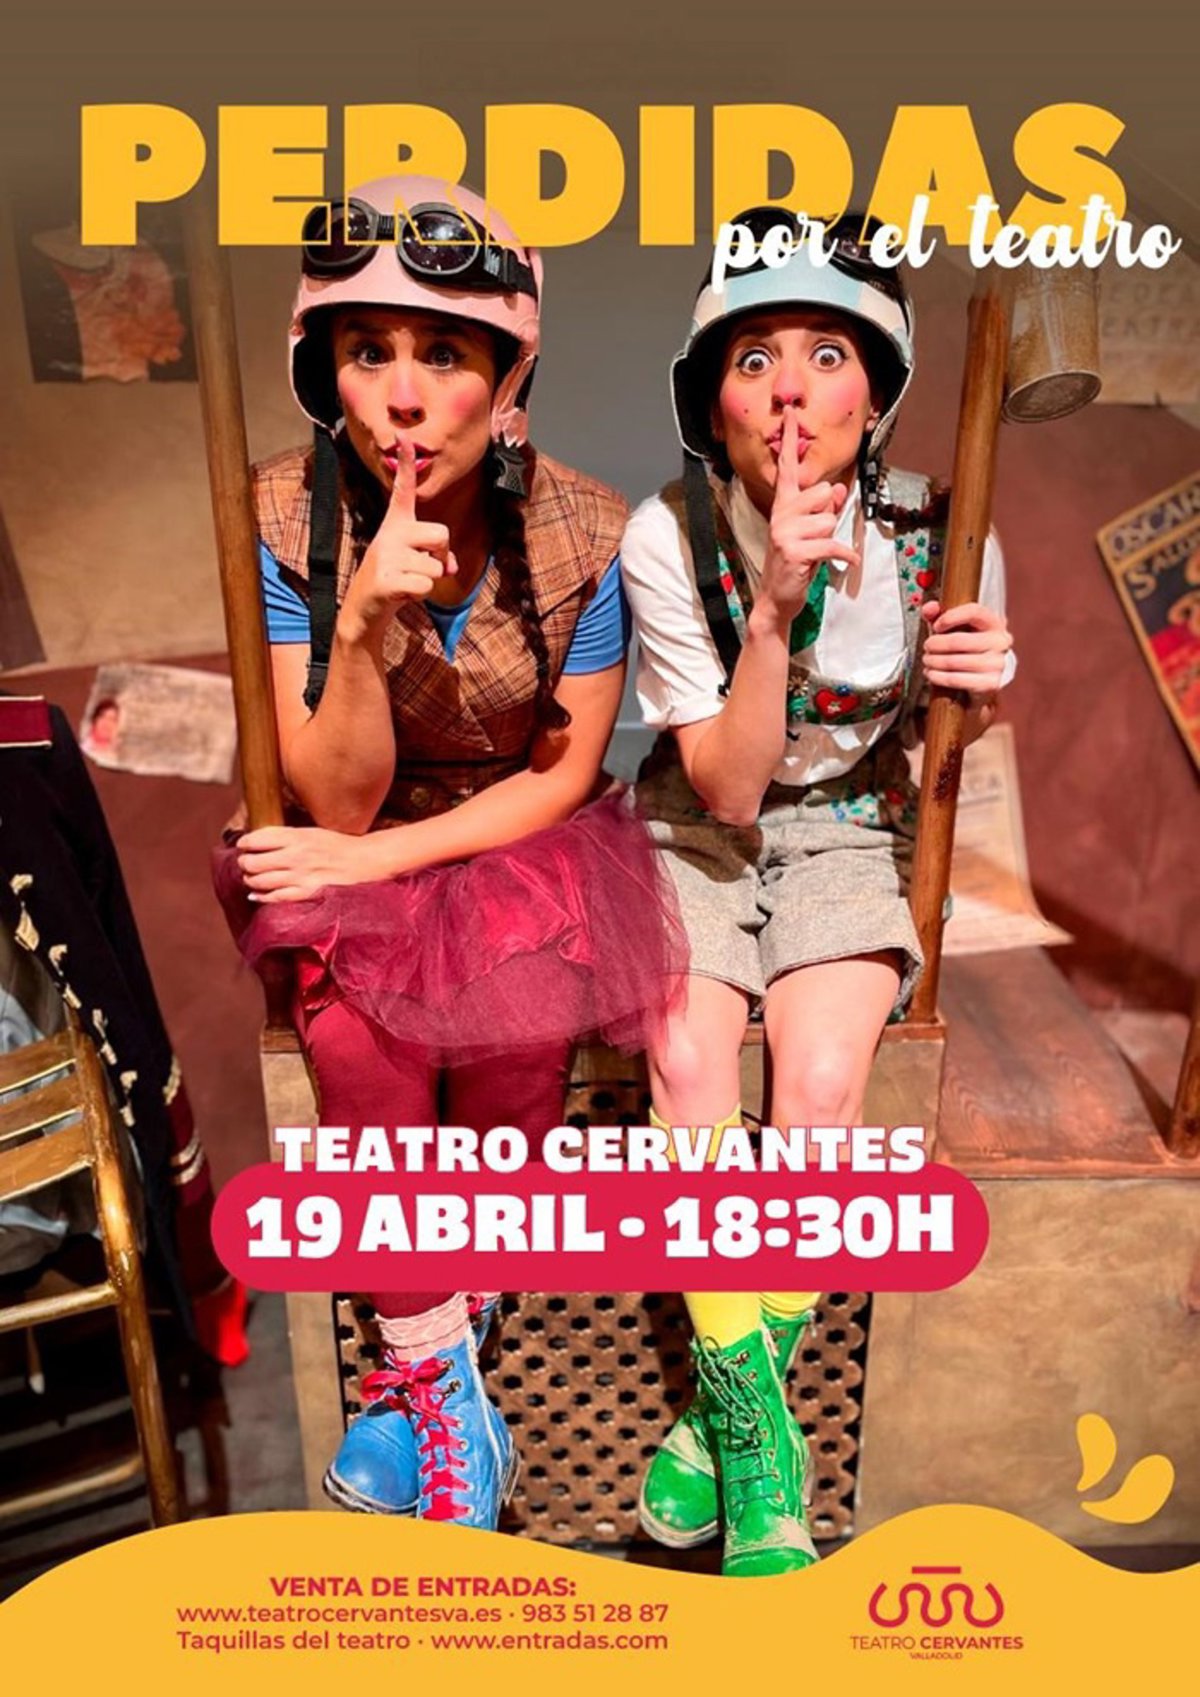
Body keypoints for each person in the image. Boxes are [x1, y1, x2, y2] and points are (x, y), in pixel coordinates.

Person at [216, 176, 682, 1531]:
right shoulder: (280, 516)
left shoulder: (586, 530)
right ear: (325, 370)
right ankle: (441, 1392)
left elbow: (565, 771)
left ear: (508, 376)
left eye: (445, 353)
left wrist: (372, 869)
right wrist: (359, 625)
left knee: (515, 1045)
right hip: (352, 821)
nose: (405, 398)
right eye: (369, 352)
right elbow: (335, 802)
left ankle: (407, 1391)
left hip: (513, 829)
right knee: (354, 1043)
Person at [620, 210, 1015, 1576]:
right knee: (685, 1062)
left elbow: (944, 743)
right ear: (711, 399)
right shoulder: (667, 536)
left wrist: (981, 683)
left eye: (827, 354)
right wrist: (777, 607)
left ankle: (721, 1429)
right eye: (754, 360)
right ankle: (764, 1463)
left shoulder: (946, 532)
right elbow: (727, 789)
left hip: (850, 824)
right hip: (697, 823)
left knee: (828, 1083)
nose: (790, 391)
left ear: (877, 391)